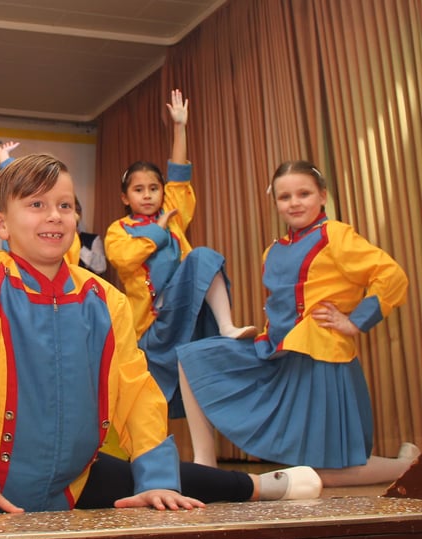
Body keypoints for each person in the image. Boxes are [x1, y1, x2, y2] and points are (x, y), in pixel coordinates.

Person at [0, 154, 321, 519]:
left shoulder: (104, 299)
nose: (55, 216)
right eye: (37, 205)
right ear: (0, 223)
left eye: (65, 205)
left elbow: (136, 391)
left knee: (180, 482)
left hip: (72, 480)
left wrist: (157, 476)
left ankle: (263, 484)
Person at [176, 160, 419, 487]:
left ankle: (409, 465)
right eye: (284, 196)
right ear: (275, 202)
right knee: (192, 357)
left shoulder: (335, 234)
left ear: (322, 196)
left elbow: (391, 276)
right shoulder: (272, 251)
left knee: (324, 472)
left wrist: (354, 322)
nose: (294, 202)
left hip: (320, 358)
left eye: (304, 193)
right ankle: (205, 464)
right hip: (279, 353)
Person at [104, 89, 254, 417]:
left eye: (153, 189)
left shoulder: (173, 214)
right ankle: (148, 458)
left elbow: (179, 178)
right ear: (125, 197)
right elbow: (125, 260)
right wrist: (158, 231)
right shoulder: (119, 230)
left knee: (201, 255)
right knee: (150, 404)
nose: (147, 195)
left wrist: (180, 128)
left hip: (182, 309)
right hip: (150, 325)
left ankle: (226, 326)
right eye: (138, 190)